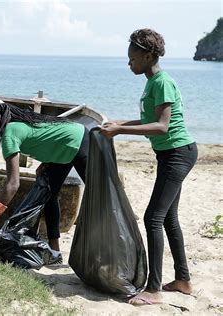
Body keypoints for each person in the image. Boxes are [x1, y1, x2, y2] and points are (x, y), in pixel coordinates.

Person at [100, 29, 197, 305]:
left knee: (153, 217)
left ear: (148, 55)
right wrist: (121, 123)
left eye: (132, 57)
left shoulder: (162, 82)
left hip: (178, 153)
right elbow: (149, 120)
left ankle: (154, 289)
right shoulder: (152, 82)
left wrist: (120, 131)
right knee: (167, 218)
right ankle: (183, 280)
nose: (129, 62)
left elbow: (162, 126)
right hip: (169, 154)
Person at [0, 96, 89, 254]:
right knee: (50, 195)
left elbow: (13, 184)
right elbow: (42, 136)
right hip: (62, 147)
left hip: (79, 140)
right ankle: (54, 250)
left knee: (97, 194)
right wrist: (46, 161)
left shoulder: (8, 135)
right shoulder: (12, 127)